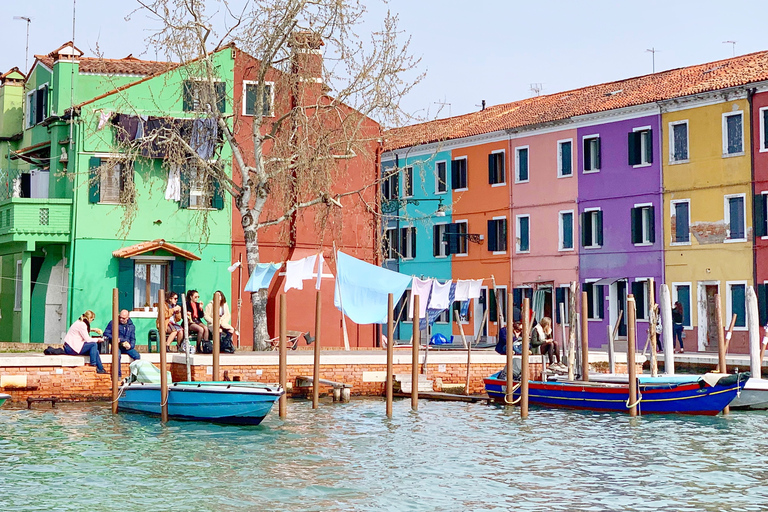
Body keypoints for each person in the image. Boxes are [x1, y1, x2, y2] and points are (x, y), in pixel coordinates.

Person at [103, 310, 140, 375]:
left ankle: (134, 375)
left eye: (123, 318)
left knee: (137, 356)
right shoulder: (113, 323)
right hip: (117, 345)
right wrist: (114, 338)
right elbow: (106, 333)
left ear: (127, 318)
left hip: (126, 346)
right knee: (117, 356)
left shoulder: (131, 326)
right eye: (120, 317)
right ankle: (118, 375)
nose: (121, 319)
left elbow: (133, 339)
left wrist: (130, 346)